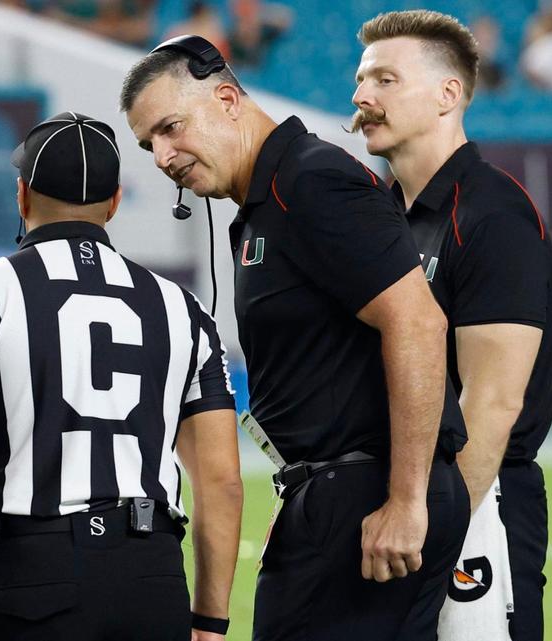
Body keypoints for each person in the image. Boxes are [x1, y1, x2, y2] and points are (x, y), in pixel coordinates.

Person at [122, 36, 469, 640]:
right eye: (148, 142)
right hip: (341, 493)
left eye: (170, 128)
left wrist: (407, 502)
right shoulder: (269, 199)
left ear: (227, 98)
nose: (162, 155)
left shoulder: (309, 181)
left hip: (365, 496)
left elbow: (417, 320)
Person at [0, 112, 243, 641]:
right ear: (114, 201)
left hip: (33, 573)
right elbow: (221, 482)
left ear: (23, 194)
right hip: (152, 577)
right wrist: (210, 622)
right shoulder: (183, 306)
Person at [353, 11, 552, 641]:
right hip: (403, 501)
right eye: (361, 82)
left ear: (449, 94)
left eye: (385, 80)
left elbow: (492, 405)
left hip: (476, 505)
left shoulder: (493, 214)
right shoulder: (378, 217)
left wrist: (427, 524)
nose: (362, 98)